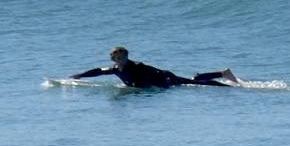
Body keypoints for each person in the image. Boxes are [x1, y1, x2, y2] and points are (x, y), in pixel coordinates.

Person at [70, 47, 240, 89]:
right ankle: (222, 73)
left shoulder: (136, 66)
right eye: (117, 58)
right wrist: (80, 75)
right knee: (193, 80)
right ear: (113, 59)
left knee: (194, 83)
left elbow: (153, 72)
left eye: (122, 57)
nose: (120, 60)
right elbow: (98, 71)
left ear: (127, 57)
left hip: (164, 78)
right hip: (159, 81)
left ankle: (226, 82)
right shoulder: (115, 69)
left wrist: (164, 84)